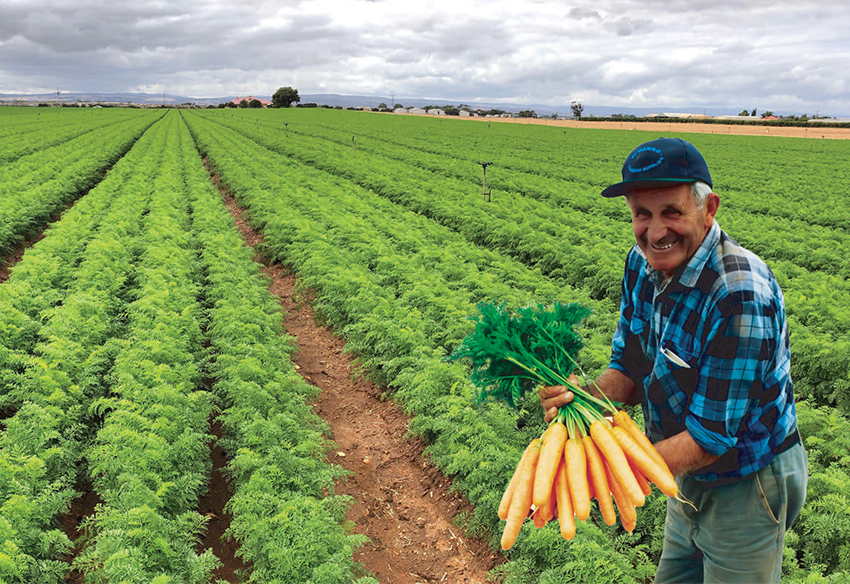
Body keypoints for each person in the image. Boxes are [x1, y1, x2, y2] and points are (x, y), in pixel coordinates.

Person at [539, 137, 808, 583]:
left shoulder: (739, 295)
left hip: (748, 476)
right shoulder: (642, 263)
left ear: (709, 208)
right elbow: (629, 367)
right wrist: (581, 398)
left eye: (672, 212)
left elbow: (709, 438)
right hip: (680, 463)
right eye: (642, 214)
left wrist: (601, 469)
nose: (655, 231)